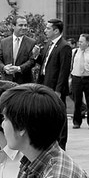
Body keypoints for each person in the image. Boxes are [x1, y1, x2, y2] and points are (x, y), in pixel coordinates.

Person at [32, 18, 71, 149]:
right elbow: (44, 63)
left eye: (48, 28)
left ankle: (61, 144)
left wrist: (58, 91)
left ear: (56, 30)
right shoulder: (49, 44)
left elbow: (64, 71)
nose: (45, 30)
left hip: (55, 87)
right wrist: (37, 56)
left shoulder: (64, 46)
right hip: (44, 83)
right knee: (47, 114)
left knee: (59, 115)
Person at [70, 33, 89, 130]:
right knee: (77, 102)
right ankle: (76, 122)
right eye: (79, 41)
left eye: (81, 41)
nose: (79, 43)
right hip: (77, 78)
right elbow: (70, 66)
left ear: (87, 42)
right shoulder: (74, 52)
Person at [0, 16, 36, 84]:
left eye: (25, 25)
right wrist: (4, 68)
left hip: (24, 83)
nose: (24, 28)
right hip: (7, 82)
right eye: (21, 25)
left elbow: (32, 61)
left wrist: (18, 68)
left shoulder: (32, 42)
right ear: (13, 26)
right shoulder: (4, 42)